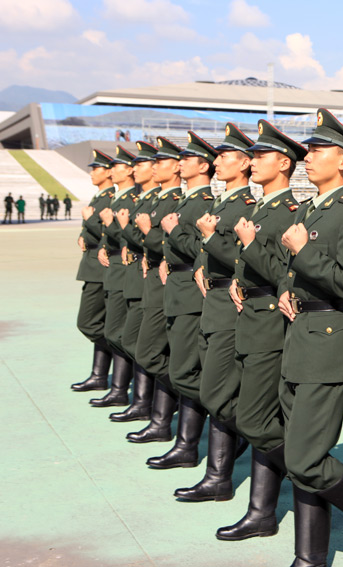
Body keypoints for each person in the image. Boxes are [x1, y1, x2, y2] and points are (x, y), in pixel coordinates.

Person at [275, 108, 343, 561]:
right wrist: (284, 289)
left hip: (328, 338)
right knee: (300, 457)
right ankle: (309, 556)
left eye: (319, 150)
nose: (308, 157)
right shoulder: (311, 207)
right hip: (299, 335)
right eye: (309, 149)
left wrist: (304, 252)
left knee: (305, 458)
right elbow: (296, 271)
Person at [217, 119, 304, 541]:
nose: (252, 162)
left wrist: (249, 247)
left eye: (259, 156)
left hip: (270, 322)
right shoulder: (259, 207)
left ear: (284, 163)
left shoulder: (291, 211)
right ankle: (262, 511)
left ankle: (305, 472)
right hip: (247, 318)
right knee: (250, 413)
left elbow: (286, 273)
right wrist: (239, 276)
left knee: (254, 418)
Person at [172, 123, 256, 503]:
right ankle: (218, 471)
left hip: (230, 305)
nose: (217, 161)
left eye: (225, 156)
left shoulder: (244, 207)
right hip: (213, 302)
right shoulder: (222, 204)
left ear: (245, 163)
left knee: (218, 393)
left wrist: (203, 240)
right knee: (212, 390)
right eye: (217, 155)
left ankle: (236, 460)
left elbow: (245, 258)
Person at [147, 132, 217, 469]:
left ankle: (196, 442)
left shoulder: (204, 202)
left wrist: (173, 233)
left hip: (190, 293)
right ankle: (185, 442)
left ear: (203, 165)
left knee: (186, 371)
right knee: (181, 369)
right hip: (176, 288)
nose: (180, 163)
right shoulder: (187, 199)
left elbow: (202, 249)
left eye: (187, 159)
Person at [124, 136, 185, 441]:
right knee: (144, 347)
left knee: (154, 352)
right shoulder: (157, 200)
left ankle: (172, 410)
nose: (145, 168)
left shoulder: (176, 201)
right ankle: (154, 413)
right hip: (153, 279)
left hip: (168, 283)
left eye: (159, 161)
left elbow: (168, 243)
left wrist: (143, 235)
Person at [107, 141, 160, 422]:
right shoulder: (145, 200)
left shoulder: (162, 201)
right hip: (137, 276)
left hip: (152, 279)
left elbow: (156, 241)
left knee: (141, 344)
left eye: (140, 164)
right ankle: (140, 400)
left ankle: (148, 403)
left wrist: (126, 228)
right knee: (130, 340)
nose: (134, 168)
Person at [90, 146, 139, 409]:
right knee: (115, 332)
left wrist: (100, 225)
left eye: (116, 166)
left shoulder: (131, 198)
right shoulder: (119, 197)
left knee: (121, 334)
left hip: (129, 271)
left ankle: (123, 390)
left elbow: (130, 239)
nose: (110, 171)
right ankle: (118, 388)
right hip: (117, 269)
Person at [70, 150, 115, 393]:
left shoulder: (109, 198)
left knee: (89, 323)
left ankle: (122, 361)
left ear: (109, 171)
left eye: (96, 168)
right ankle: (99, 375)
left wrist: (89, 222)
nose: (92, 173)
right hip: (92, 267)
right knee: (100, 323)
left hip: (101, 268)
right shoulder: (99, 197)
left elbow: (109, 233)